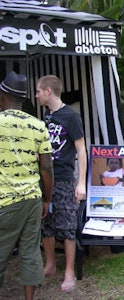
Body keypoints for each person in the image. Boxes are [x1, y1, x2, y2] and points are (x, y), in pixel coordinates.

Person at [0, 71, 54, 300]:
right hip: (32, 199)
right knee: (30, 251)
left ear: (2, 95)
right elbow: (47, 169)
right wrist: (47, 199)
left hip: (4, 201)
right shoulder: (38, 126)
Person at [36, 75, 87, 293]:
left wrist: (81, 182)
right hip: (44, 179)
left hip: (65, 179)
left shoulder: (71, 116)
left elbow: (81, 150)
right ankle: (50, 264)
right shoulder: (46, 117)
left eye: (38, 91)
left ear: (48, 91)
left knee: (67, 226)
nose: (36, 95)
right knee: (45, 222)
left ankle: (69, 272)